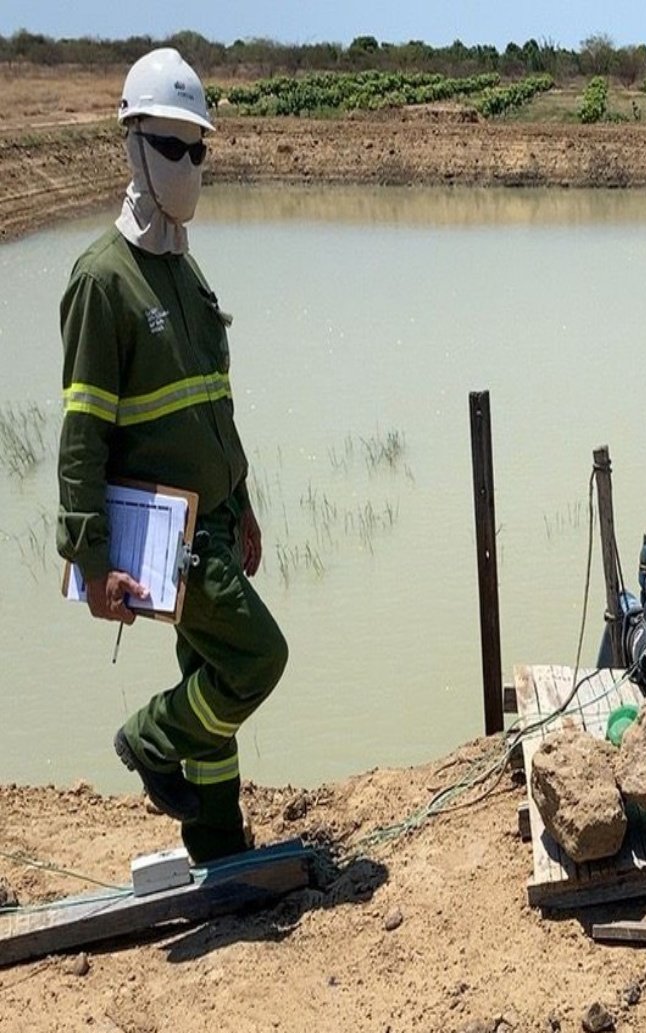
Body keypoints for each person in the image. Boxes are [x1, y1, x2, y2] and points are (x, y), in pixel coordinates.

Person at [56, 48, 287, 863]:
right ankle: (151, 736)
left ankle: (218, 842)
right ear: (132, 145)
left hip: (218, 517)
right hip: (173, 541)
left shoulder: (186, 273)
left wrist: (246, 497)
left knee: (210, 665)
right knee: (258, 658)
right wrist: (89, 562)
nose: (188, 163)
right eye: (172, 145)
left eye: (199, 148)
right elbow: (81, 434)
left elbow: (211, 404)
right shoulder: (104, 282)